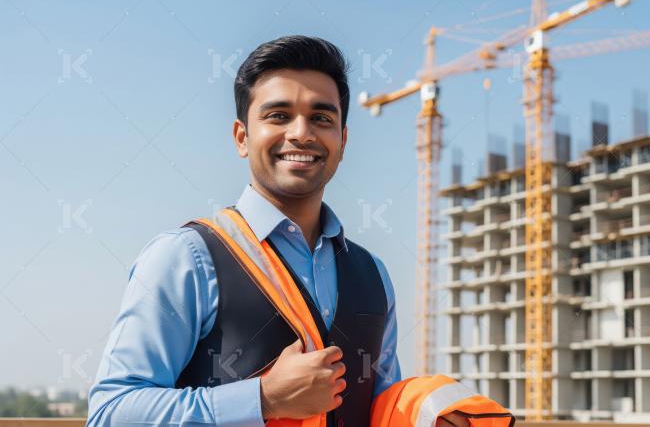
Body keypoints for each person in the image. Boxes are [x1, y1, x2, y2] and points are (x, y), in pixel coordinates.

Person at [88, 35, 474, 427]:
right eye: (278, 115)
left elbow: (374, 410)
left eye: (322, 118)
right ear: (242, 137)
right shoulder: (186, 257)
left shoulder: (373, 275)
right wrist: (264, 399)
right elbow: (110, 414)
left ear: (343, 140)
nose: (301, 133)